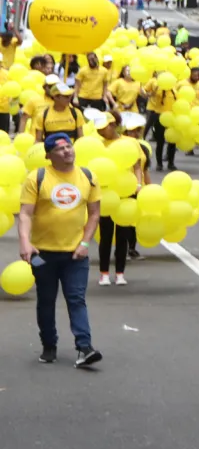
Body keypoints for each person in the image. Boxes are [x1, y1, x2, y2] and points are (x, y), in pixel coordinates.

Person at [19, 131, 102, 367]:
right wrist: (25, 241)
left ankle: (85, 347)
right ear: (49, 155)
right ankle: (49, 345)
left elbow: (95, 213)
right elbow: (25, 214)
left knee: (76, 299)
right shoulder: (38, 178)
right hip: (43, 253)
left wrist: (85, 243)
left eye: (69, 147)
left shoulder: (87, 176)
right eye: (60, 149)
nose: (67, 151)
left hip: (75, 253)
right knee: (46, 300)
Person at [95, 111, 148, 285]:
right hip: (107, 194)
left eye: (104, 128)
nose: (101, 132)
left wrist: (139, 185)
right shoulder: (98, 145)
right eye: (99, 129)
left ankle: (119, 273)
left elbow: (137, 166)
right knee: (106, 235)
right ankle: (104, 273)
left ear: (112, 125)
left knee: (123, 235)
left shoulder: (130, 143)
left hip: (126, 192)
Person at [144, 71, 179, 171]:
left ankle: (171, 162)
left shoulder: (174, 90)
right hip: (159, 116)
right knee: (160, 141)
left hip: (172, 117)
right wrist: (154, 89)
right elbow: (148, 94)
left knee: (172, 141)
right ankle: (159, 163)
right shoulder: (158, 89)